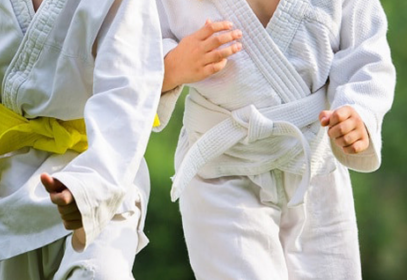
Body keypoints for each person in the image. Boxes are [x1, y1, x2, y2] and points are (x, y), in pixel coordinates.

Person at [0, 0, 163, 278]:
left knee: (99, 273)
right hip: (3, 176)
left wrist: (89, 190)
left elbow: (128, 93)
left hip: (96, 166)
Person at [154, 0, 396, 279]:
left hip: (314, 169)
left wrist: (359, 112)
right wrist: (172, 67)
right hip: (221, 172)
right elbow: (132, 53)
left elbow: (367, 54)